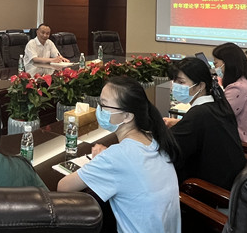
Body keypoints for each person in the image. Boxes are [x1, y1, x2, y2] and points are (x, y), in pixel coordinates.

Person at [57, 76, 181, 233]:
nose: (99, 109)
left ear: (127, 116)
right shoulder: (155, 140)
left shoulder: (118, 156)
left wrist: (98, 161)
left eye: (104, 105)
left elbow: (63, 187)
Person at [163, 58, 246, 190]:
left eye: (181, 82)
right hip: (230, 181)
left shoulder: (199, 114)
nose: (175, 86)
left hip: (210, 189)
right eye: (174, 81)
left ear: (201, 85)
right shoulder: (217, 104)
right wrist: (180, 123)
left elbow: (169, 149)